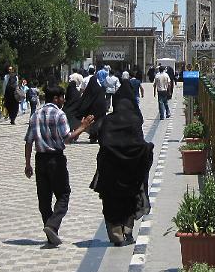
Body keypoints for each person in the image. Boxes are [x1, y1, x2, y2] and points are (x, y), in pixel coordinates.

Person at [24, 85, 95, 246]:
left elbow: (29, 141)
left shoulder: (35, 114)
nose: (64, 100)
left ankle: (51, 232)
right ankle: (52, 225)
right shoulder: (59, 114)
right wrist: (83, 127)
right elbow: (67, 138)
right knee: (63, 194)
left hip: (40, 159)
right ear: (56, 98)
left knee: (44, 199)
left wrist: (27, 164)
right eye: (62, 97)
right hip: (56, 159)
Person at [93, 84, 154, 245]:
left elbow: (103, 142)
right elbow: (139, 144)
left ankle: (116, 232)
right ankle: (127, 228)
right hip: (131, 171)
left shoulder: (108, 120)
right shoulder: (135, 120)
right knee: (131, 198)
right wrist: (147, 149)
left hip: (111, 172)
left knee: (111, 201)